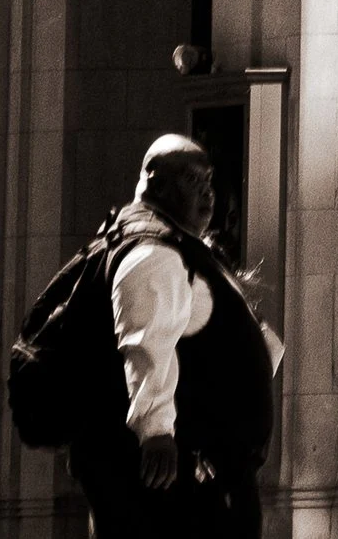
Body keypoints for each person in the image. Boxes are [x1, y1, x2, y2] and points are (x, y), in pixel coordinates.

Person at [69, 136, 276, 539]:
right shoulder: (153, 252)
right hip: (180, 481)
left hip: (213, 473)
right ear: (155, 181)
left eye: (208, 179)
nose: (207, 191)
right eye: (192, 179)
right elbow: (145, 340)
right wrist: (156, 430)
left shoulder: (185, 248)